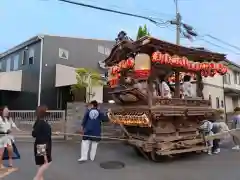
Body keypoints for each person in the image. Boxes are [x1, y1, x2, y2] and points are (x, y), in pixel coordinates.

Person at [32, 106, 52, 180]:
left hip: (39, 144)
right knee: (46, 163)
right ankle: (37, 178)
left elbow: (34, 134)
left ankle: (40, 178)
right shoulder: (43, 123)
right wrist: (44, 154)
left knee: (41, 164)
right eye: (46, 110)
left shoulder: (38, 122)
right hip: (42, 146)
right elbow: (43, 137)